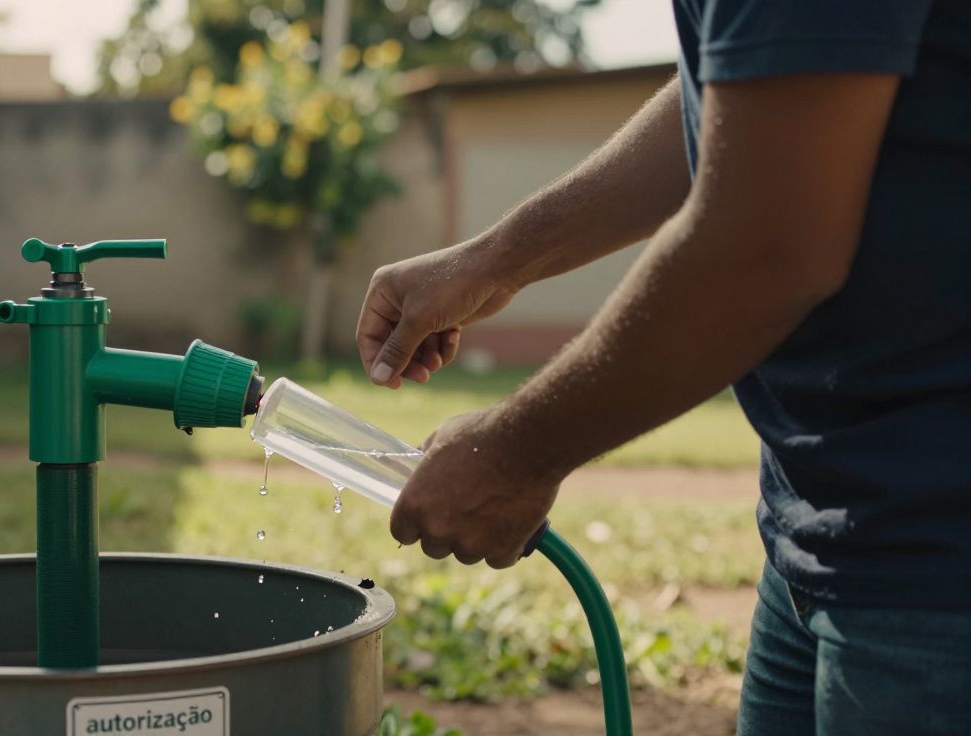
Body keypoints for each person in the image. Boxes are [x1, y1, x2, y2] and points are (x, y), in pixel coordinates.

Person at [356, 2, 970, 733]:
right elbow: (744, 96)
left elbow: (769, 248)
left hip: (937, 551)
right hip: (827, 520)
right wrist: (497, 259)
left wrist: (515, 454)